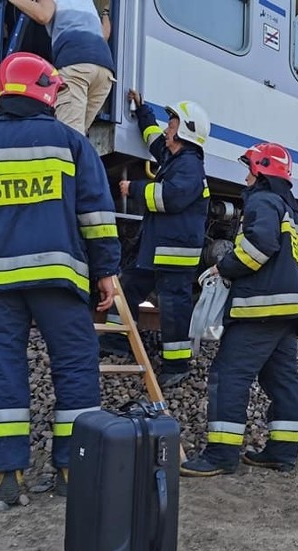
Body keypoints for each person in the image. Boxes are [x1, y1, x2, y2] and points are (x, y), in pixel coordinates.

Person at [0, 52, 121, 504]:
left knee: (3, 368)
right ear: (47, 91)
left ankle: (5, 478)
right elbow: (96, 217)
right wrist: (107, 273)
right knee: (75, 367)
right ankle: (72, 471)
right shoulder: (71, 143)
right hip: (59, 282)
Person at [180, 142, 298, 477]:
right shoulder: (295, 213)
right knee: (281, 380)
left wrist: (225, 266)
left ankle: (221, 455)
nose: (245, 178)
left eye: (249, 169)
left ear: (260, 171)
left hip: (259, 309)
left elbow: (259, 246)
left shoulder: (264, 200)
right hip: (287, 312)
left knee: (228, 376)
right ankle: (282, 452)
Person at [109, 90, 211, 388]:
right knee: (128, 286)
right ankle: (117, 341)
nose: (168, 128)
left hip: (173, 253)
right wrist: (142, 110)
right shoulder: (174, 157)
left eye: (173, 123)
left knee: (174, 307)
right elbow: (153, 136)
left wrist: (134, 188)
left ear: (186, 131)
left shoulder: (190, 166)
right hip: (157, 249)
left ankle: (176, 364)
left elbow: (170, 197)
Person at [7, 0, 114, 135]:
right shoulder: (87, 4)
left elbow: (43, 15)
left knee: (68, 136)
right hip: (104, 70)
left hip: (77, 65)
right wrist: (105, 12)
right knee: (78, 137)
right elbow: (105, 35)